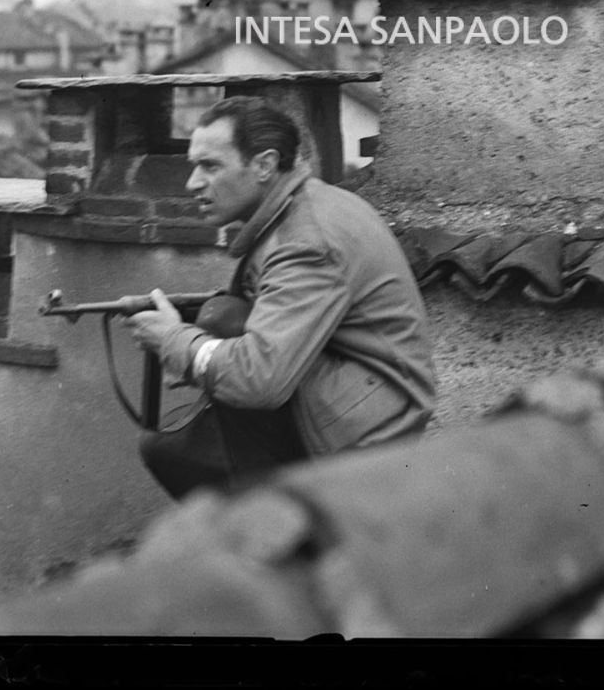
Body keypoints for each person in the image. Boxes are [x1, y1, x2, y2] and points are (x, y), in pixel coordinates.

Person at [127, 96, 436, 497]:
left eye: (210, 166)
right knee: (168, 449)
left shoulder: (306, 241)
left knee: (225, 329)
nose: (193, 183)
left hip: (363, 441)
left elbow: (260, 379)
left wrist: (174, 341)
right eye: (194, 165)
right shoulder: (305, 206)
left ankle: (282, 534)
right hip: (357, 407)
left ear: (264, 166)